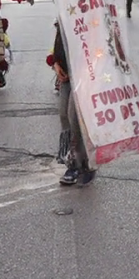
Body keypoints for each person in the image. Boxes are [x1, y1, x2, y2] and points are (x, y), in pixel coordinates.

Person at [51, 20, 95, 186]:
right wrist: (55, 63)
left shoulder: (89, 10)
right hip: (66, 72)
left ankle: (80, 163)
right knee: (64, 114)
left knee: (75, 116)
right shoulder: (63, 12)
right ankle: (75, 159)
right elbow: (57, 43)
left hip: (85, 73)